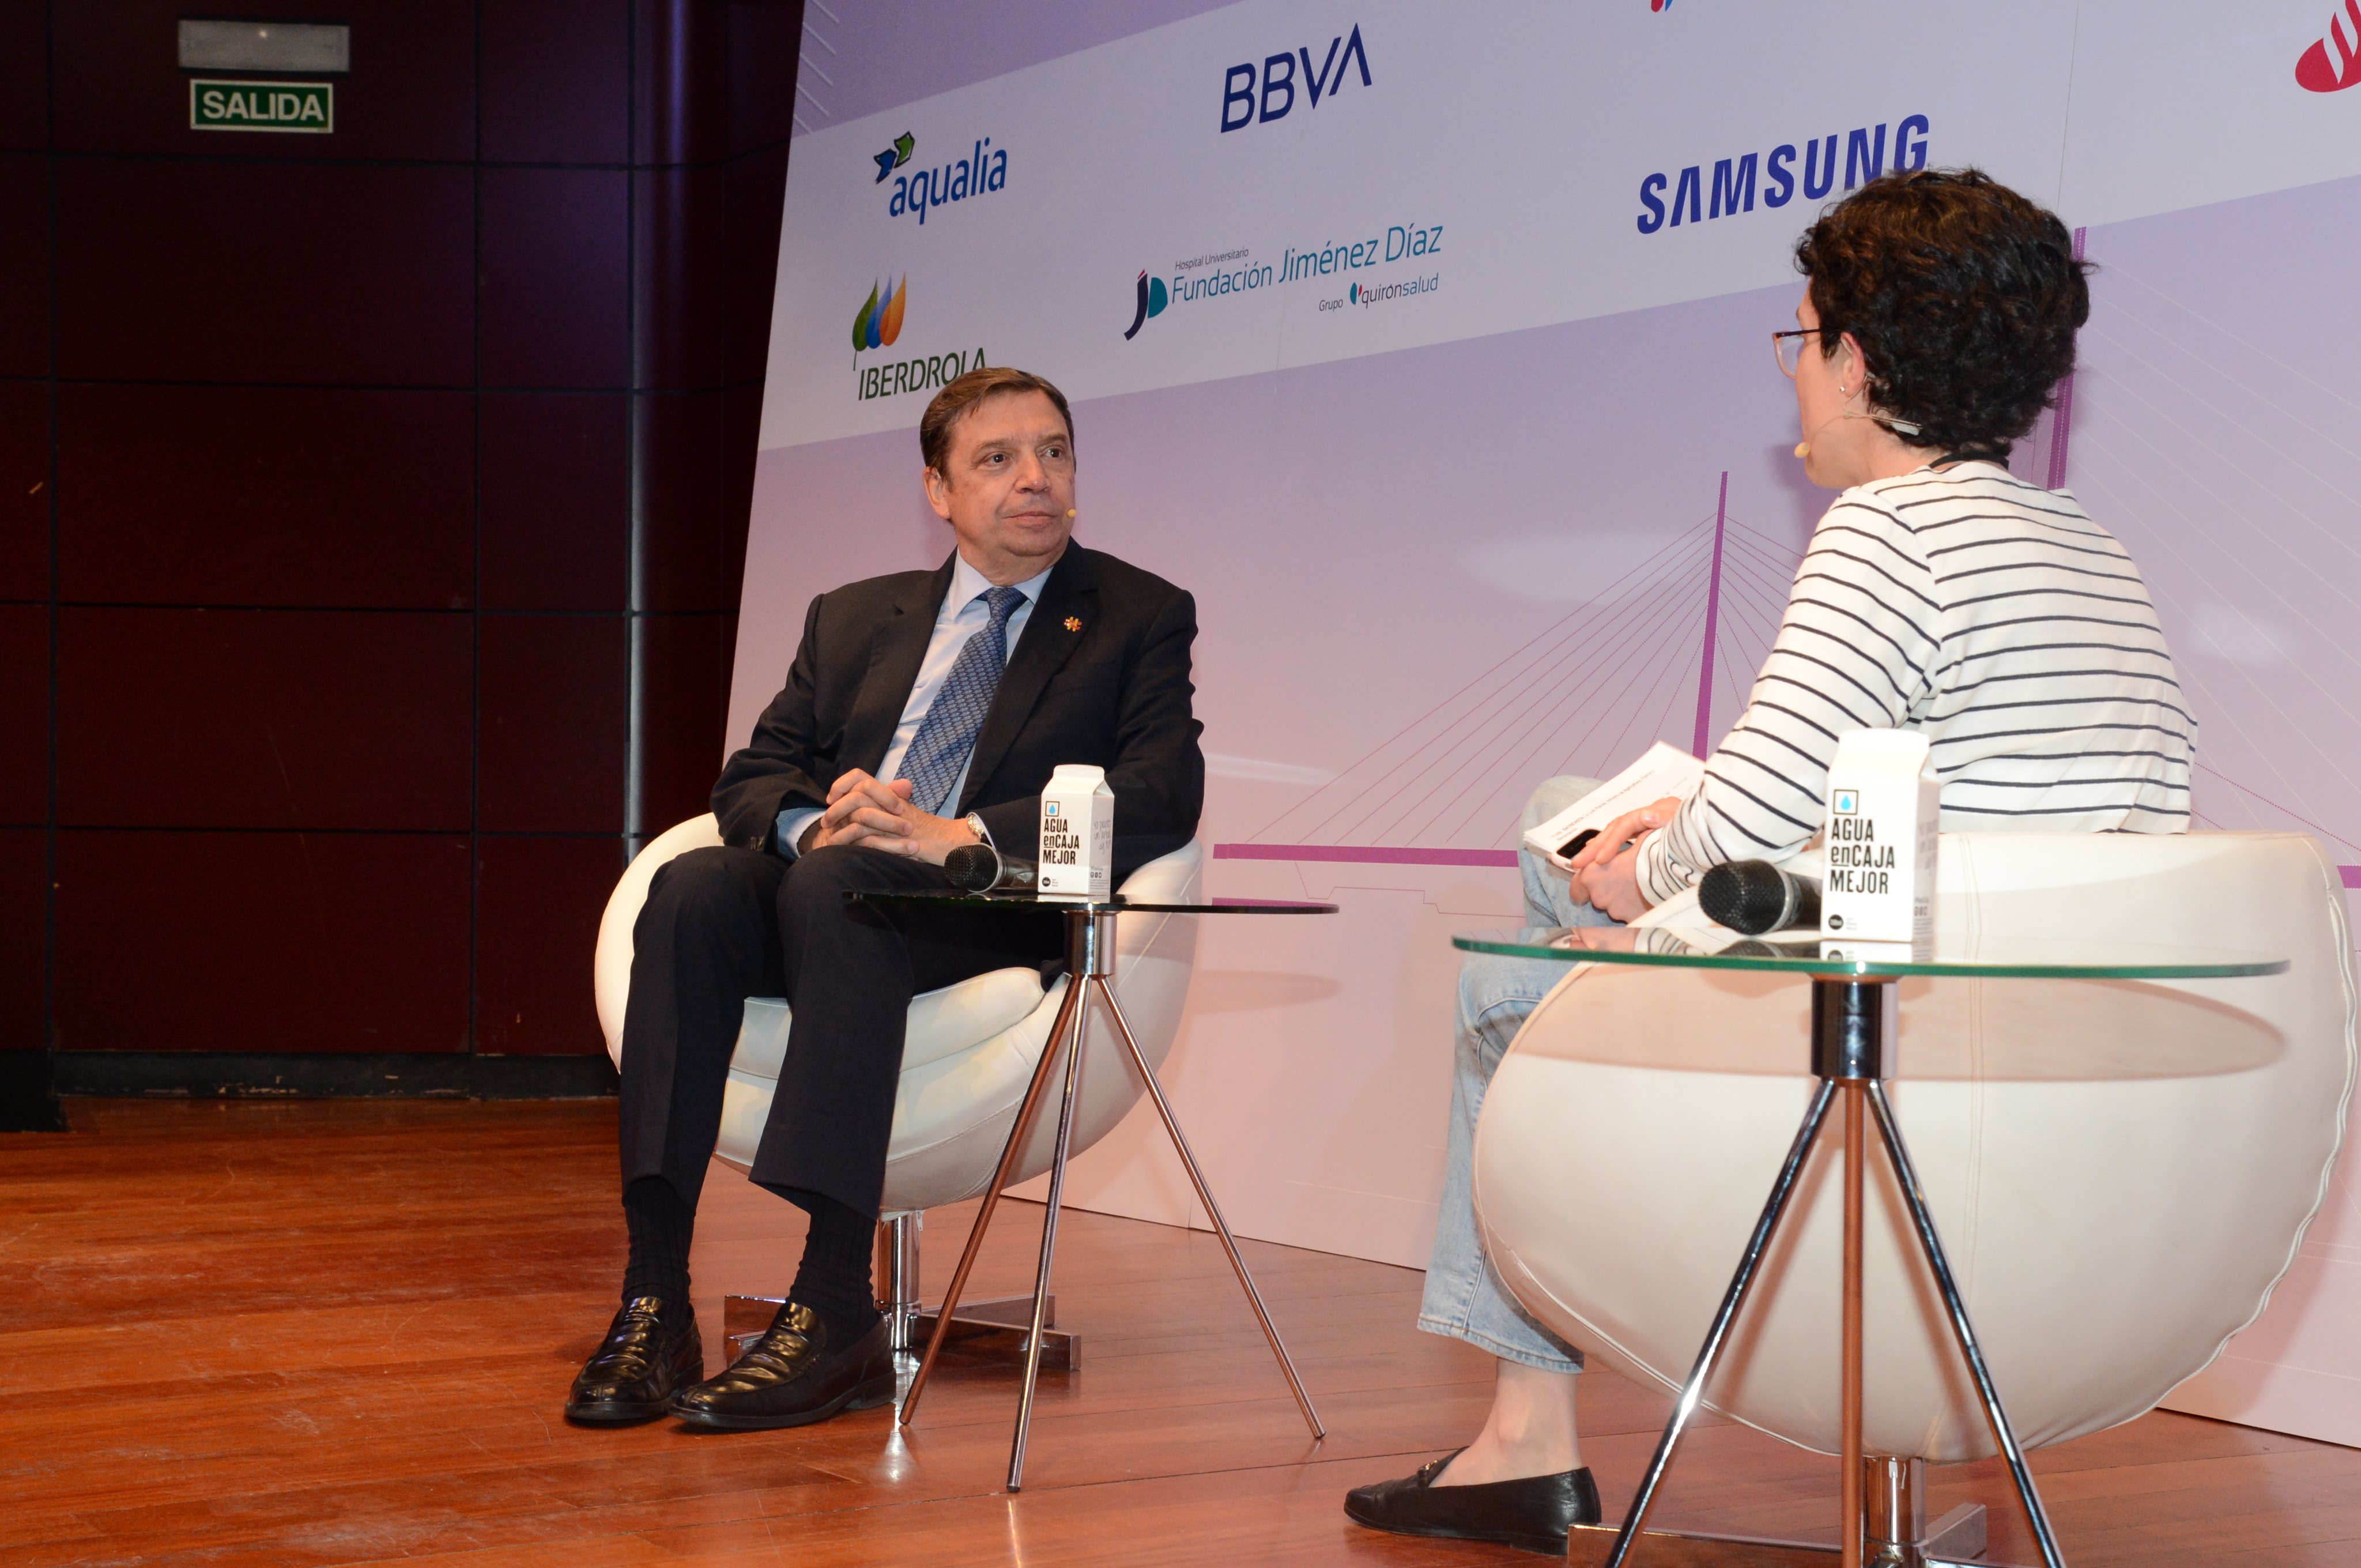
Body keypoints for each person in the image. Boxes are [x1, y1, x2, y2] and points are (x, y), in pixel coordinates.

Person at [1345, 167, 2193, 1553]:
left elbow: (1734, 824)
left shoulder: (1886, 533)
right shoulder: (2091, 549)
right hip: (2040, 1062)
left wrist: (1632, 883)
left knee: (1521, 944)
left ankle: (1525, 1434)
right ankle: (1524, 1433)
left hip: (1882, 1062)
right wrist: (1694, 863)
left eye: (1799, 340)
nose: (1794, 372)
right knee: (1573, 815)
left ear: (1854, 361)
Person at [566, 367, 1204, 1431]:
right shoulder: (857, 616)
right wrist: (820, 825)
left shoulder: (1137, 614)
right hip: (835, 884)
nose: (1035, 478)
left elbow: (1161, 794)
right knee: (691, 891)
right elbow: (752, 778)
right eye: (998, 459)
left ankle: (832, 1305)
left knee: (840, 887)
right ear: (939, 491)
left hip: (986, 909)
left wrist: (961, 836)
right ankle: (654, 1298)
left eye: (1053, 452)